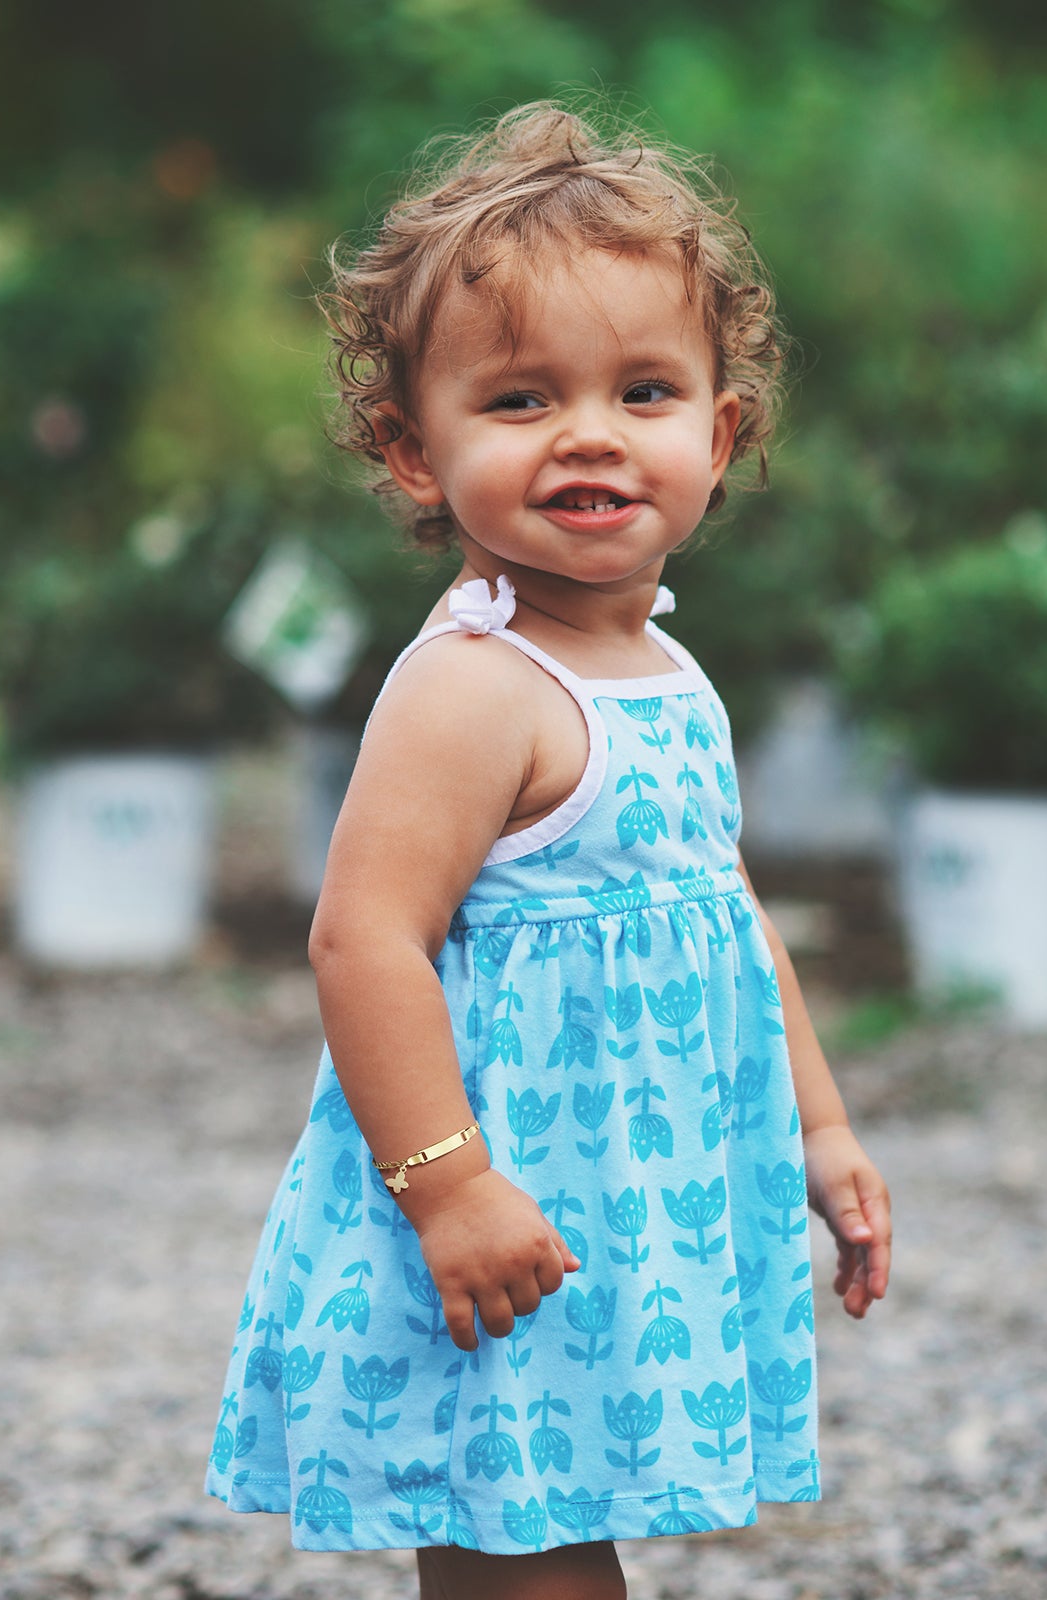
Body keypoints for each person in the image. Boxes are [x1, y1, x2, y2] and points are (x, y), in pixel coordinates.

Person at [204, 100, 892, 1600]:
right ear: (410, 447)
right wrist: (448, 1189)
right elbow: (362, 939)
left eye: (642, 391)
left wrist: (821, 1126)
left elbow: (720, 910)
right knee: (528, 1545)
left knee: (535, 1523)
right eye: (520, 400)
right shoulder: (472, 689)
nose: (588, 431)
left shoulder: (665, 670)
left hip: (629, 1198)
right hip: (508, 1187)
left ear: (717, 435)